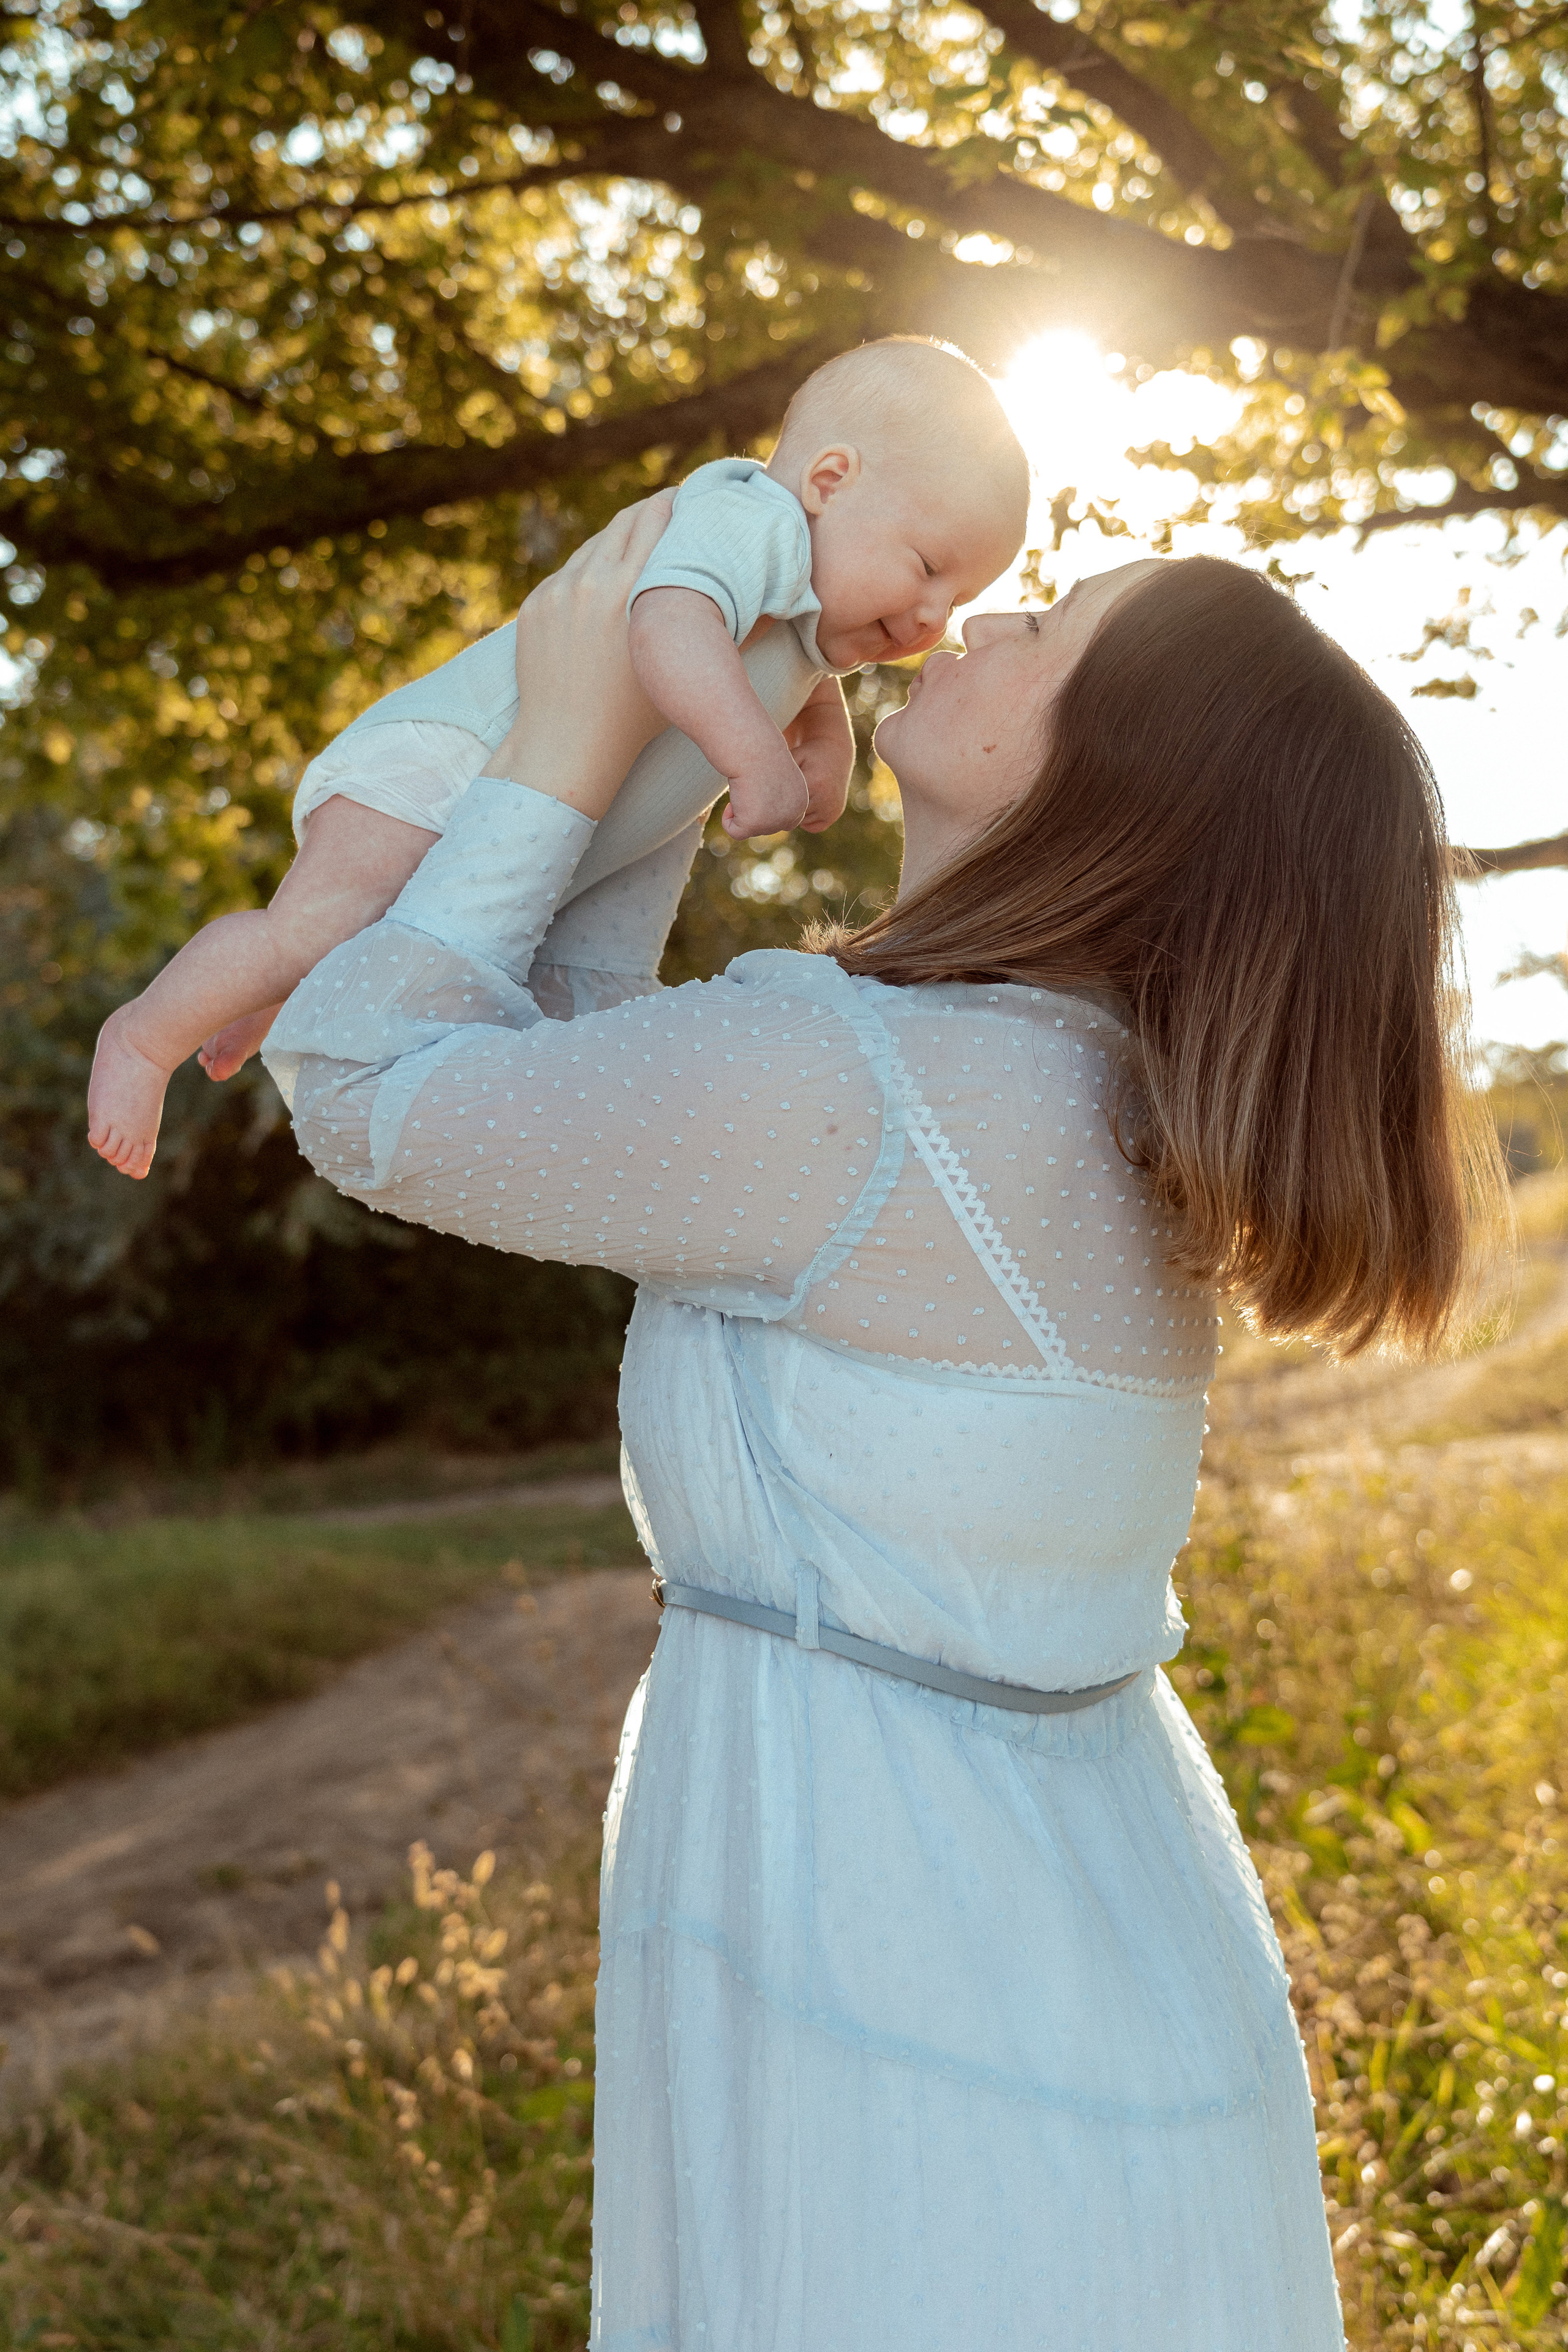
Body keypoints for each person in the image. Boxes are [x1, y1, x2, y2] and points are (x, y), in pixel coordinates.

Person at [263, 499, 1500, 2350]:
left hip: (888, 1982)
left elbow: (359, 1079)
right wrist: (669, 780)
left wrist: (566, 736)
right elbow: (595, 1093)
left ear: (1116, 778)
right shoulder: (1085, 1096)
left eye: (1048, 632)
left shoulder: (851, 1080)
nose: (982, 625)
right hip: (1095, 1964)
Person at [85, 337, 1028, 1181]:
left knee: (367, 935)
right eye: (929, 566)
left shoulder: (812, 618)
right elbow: (671, 625)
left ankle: (277, 985)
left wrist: (822, 763)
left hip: (503, 791)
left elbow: (809, 696)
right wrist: (756, 760)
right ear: (830, 479)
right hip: (443, 756)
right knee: (314, 923)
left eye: (960, 596)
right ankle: (142, 1038)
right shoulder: (754, 521)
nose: (934, 618)